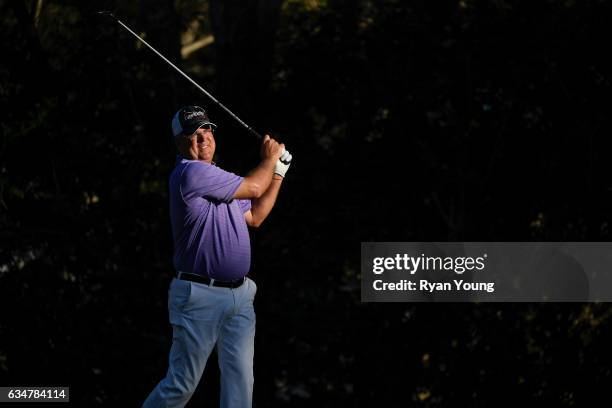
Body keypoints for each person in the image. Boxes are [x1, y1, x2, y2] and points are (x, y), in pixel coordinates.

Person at [143, 105, 292, 408]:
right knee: (181, 385)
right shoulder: (189, 173)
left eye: (207, 129)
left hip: (238, 296)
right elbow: (253, 186)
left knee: (240, 386)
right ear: (180, 143)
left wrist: (277, 173)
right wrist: (270, 159)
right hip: (200, 296)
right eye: (193, 133)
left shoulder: (218, 178)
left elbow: (256, 215)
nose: (203, 138)